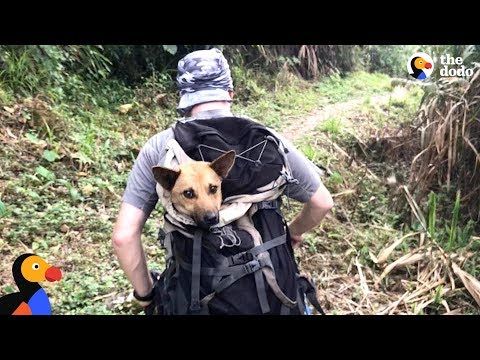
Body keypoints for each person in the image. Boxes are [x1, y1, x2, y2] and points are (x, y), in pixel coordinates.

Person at [112, 48, 334, 310]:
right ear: (230, 93)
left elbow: (124, 237)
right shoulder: (267, 140)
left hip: (197, 296)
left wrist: (146, 295)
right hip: (275, 295)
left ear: (184, 98)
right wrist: (293, 234)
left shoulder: (159, 147)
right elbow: (322, 203)